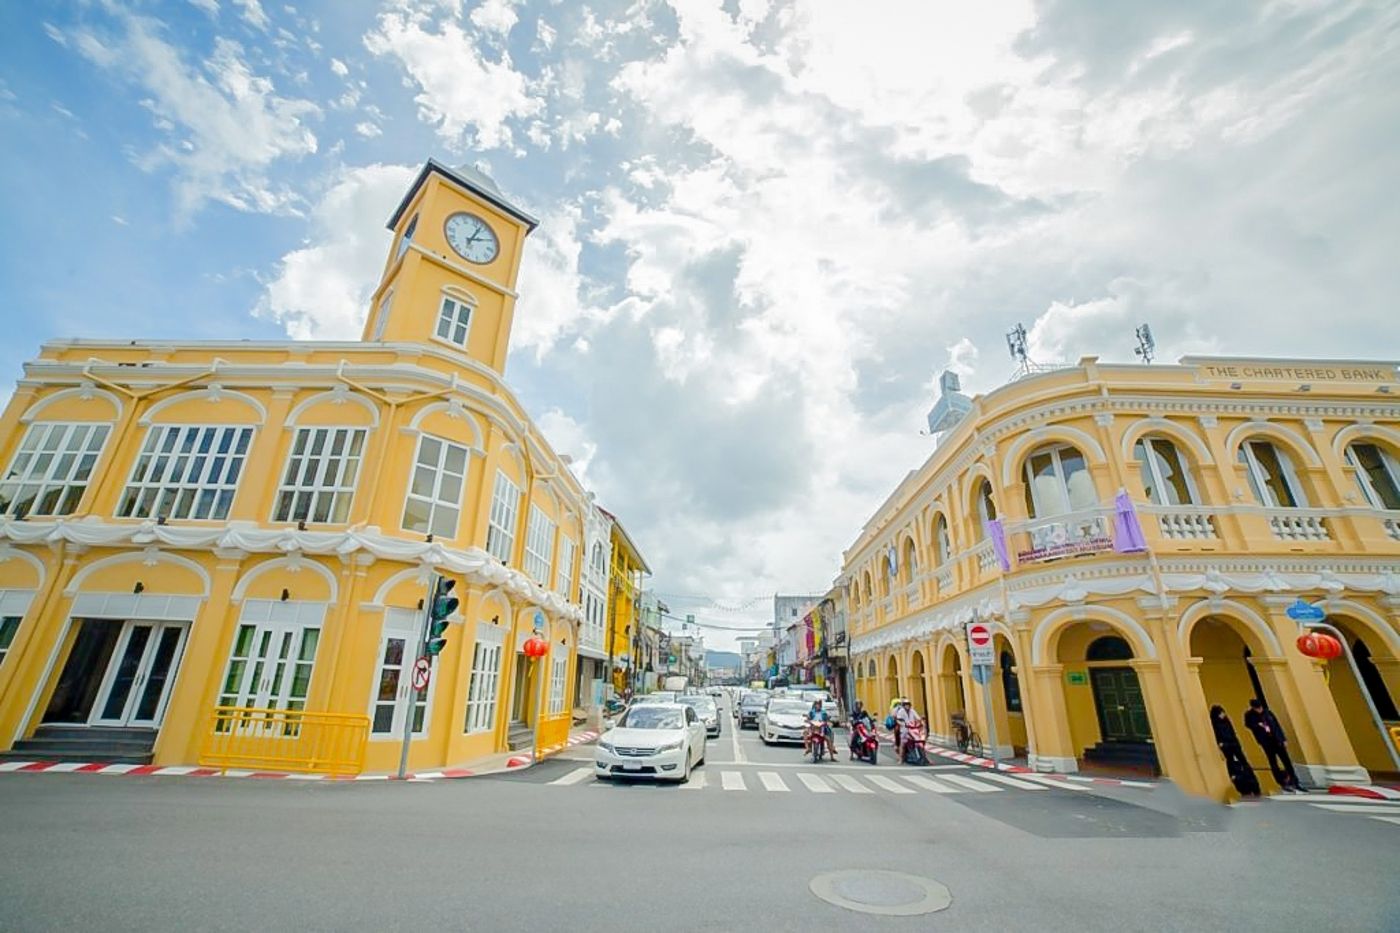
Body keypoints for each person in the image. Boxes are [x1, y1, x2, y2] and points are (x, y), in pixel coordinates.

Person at [1243, 698, 1302, 793]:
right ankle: (1281, 782)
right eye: (1257, 708)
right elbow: (1248, 725)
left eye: (1260, 708)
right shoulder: (1249, 715)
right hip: (1266, 742)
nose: (1260, 710)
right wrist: (1258, 725)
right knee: (1273, 762)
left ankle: (1295, 781)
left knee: (1286, 760)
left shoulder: (1268, 713)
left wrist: (1283, 738)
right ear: (1253, 708)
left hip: (1277, 740)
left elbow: (1277, 726)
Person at [1211, 705, 1260, 798]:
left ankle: (1254, 787)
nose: (1223, 714)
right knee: (1235, 766)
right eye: (1221, 713)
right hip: (1228, 748)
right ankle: (1245, 789)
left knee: (1244, 765)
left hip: (1234, 746)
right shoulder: (1216, 725)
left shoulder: (1226, 722)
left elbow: (1233, 734)